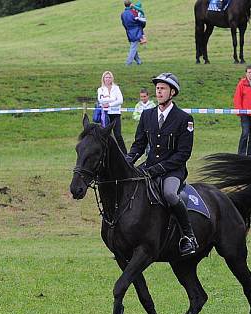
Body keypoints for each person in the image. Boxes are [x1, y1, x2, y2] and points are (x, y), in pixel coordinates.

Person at [126, 73, 198, 256]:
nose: (159, 91)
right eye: (157, 88)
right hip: (149, 167)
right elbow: (139, 144)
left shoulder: (184, 118)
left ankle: (188, 237)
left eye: (163, 88)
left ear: (172, 92)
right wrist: (128, 161)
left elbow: (183, 154)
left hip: (173, 171)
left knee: (170, 194)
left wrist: (158, 169)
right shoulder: (147, 115)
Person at [233, 64, 251, 157]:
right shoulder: (241, 84)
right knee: (245, 133)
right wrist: (239, 111)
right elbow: (237, 98)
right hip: (245, 114)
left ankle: (250, 154)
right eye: (249, 72)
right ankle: (241, 154)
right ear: (246, 73)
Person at [97, 71, 127, 153]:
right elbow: (101, 100)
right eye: (106, 77)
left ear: (112, 78)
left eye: (109, 77)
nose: (108, 79)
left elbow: (120, 100)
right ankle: (106, 152)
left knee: (118, 134)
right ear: (103, 78)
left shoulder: (116, 88)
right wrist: (113, 99)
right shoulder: (100, 89)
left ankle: (125, 153)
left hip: (115, 113)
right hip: (105, 114)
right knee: (106, 134)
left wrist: (109, 103)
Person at [121, 0, 145, 65]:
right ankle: (128, 63)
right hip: (136, 31)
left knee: (133, 46)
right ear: (131, 4)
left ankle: (139, 61)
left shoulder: (122, 14)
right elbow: (141, 21)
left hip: (128, 31)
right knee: (133, 47)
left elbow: (123, 23)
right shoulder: (134, 12)